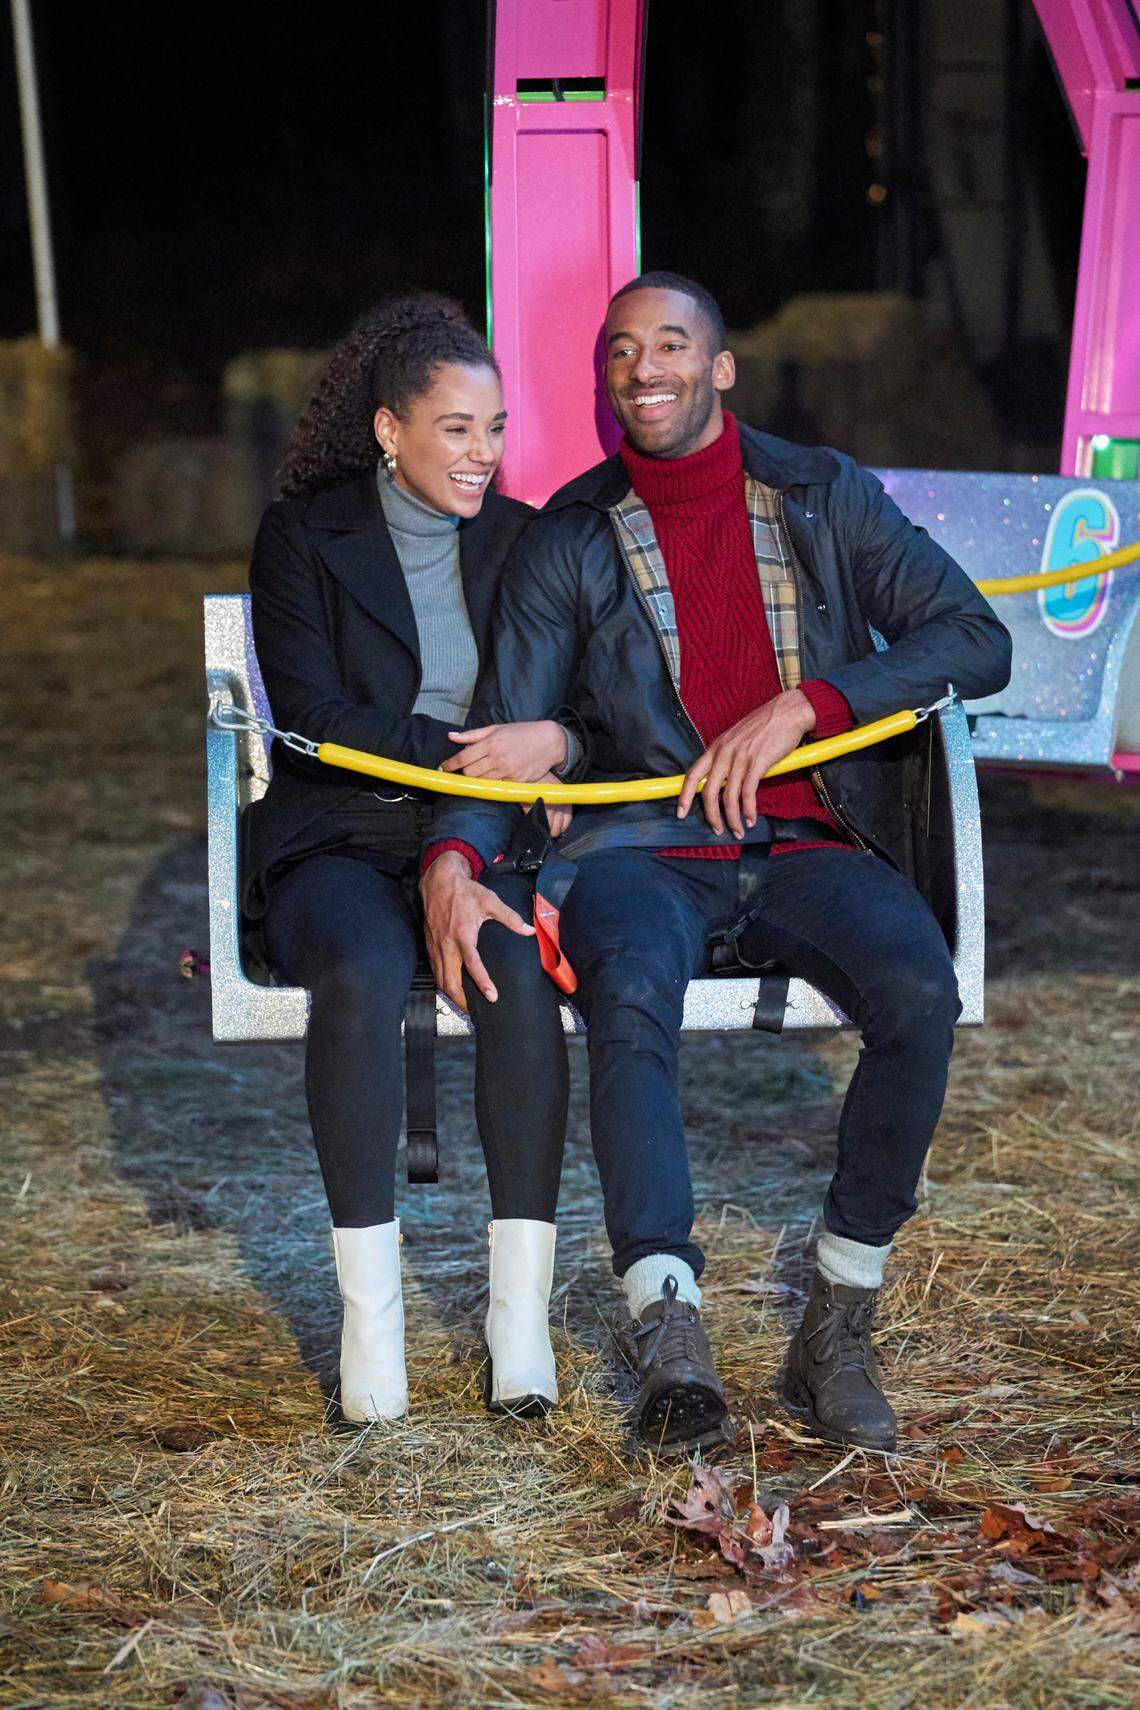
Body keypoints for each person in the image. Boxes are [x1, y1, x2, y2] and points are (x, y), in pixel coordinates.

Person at [420, 271, 1012, 1453]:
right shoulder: (568, 538)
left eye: (673, 345)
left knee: (917, 989)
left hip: (808, 837)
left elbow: (974, 640)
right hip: (641, 850)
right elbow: (512, 727)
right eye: (623, 351)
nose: (646, 369)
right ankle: (668, 1332)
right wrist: (451, 856)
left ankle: (839, 1316)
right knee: (626, 997)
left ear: (722, 367)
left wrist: (811, 705)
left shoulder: (823, 493)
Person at [243, 293, 573, 1426]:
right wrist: (479, 753)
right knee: (363, 974)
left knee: (515, 972)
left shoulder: (526, 539)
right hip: (339, 829)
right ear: (390, 429)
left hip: (478, 834)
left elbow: (560, 700)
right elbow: (313, 712)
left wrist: (546, 753)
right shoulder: (304, 534)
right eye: (456, 428)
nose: (483, 454)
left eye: (495, 428)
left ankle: (516, 1322)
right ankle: (370, 1322)